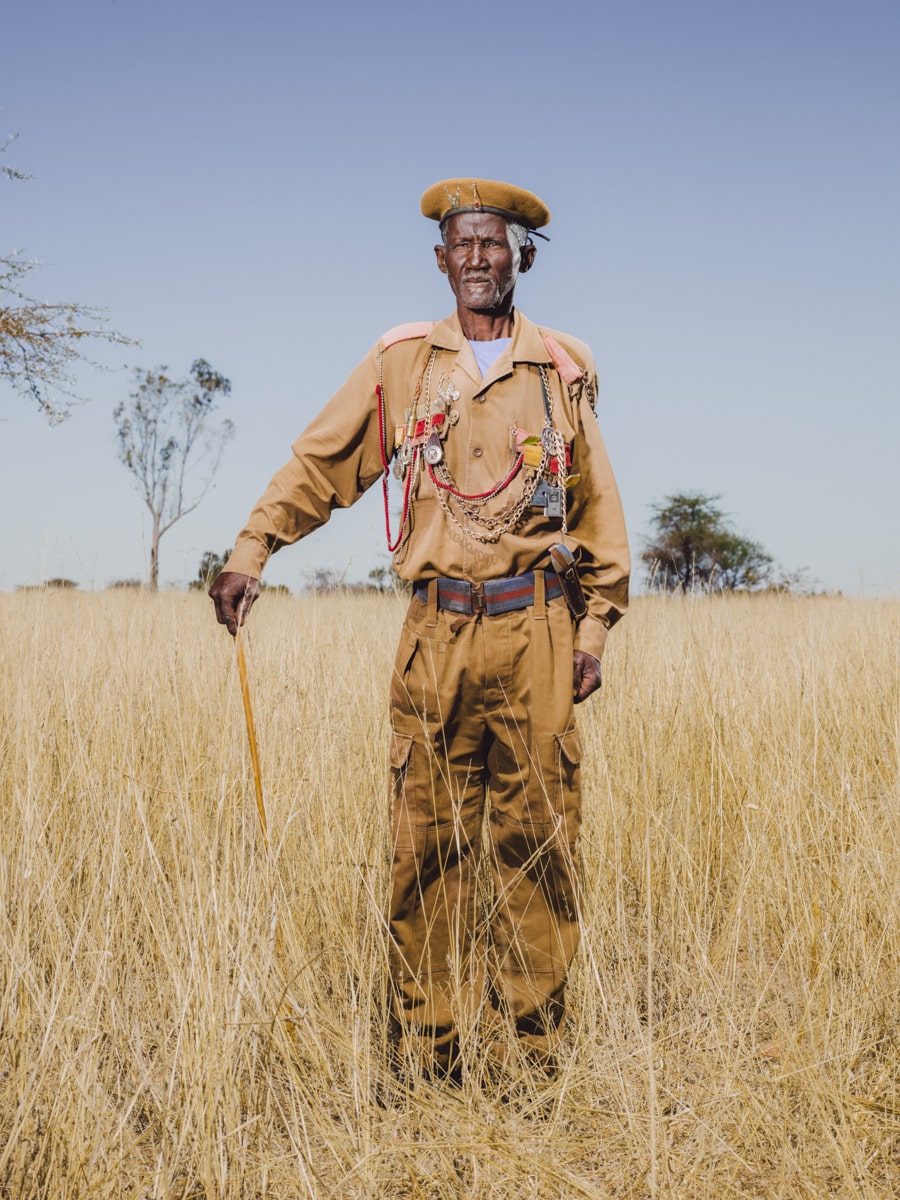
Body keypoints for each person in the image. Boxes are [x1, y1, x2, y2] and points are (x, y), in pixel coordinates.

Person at [210, 177, 629, 1082]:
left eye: (494, 243)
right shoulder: (401, 364)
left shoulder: (561, 369)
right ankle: (428, 1061)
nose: (478, 258)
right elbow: (321, 463)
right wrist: (254, 547)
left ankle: (536, 1063)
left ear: (521, 256)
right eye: (462, 245)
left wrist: (592, 632)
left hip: (540, 633)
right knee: (424, 848)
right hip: (435, 634)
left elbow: (598, 510)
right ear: (441, 261)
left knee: (539, 847)